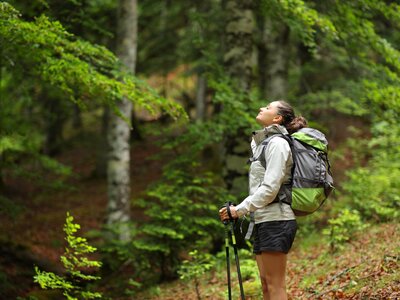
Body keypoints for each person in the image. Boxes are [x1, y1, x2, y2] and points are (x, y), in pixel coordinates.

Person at [219, 100, 307, 300]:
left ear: (277, 118)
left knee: (276, 287)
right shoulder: (263, 144)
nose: (261, 108)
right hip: (263, 220)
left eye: (267, 107)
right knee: (266, 285)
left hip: (277, 220)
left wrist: (239, 210)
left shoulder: (277, 144)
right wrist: (237, 209)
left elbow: (270, 188)